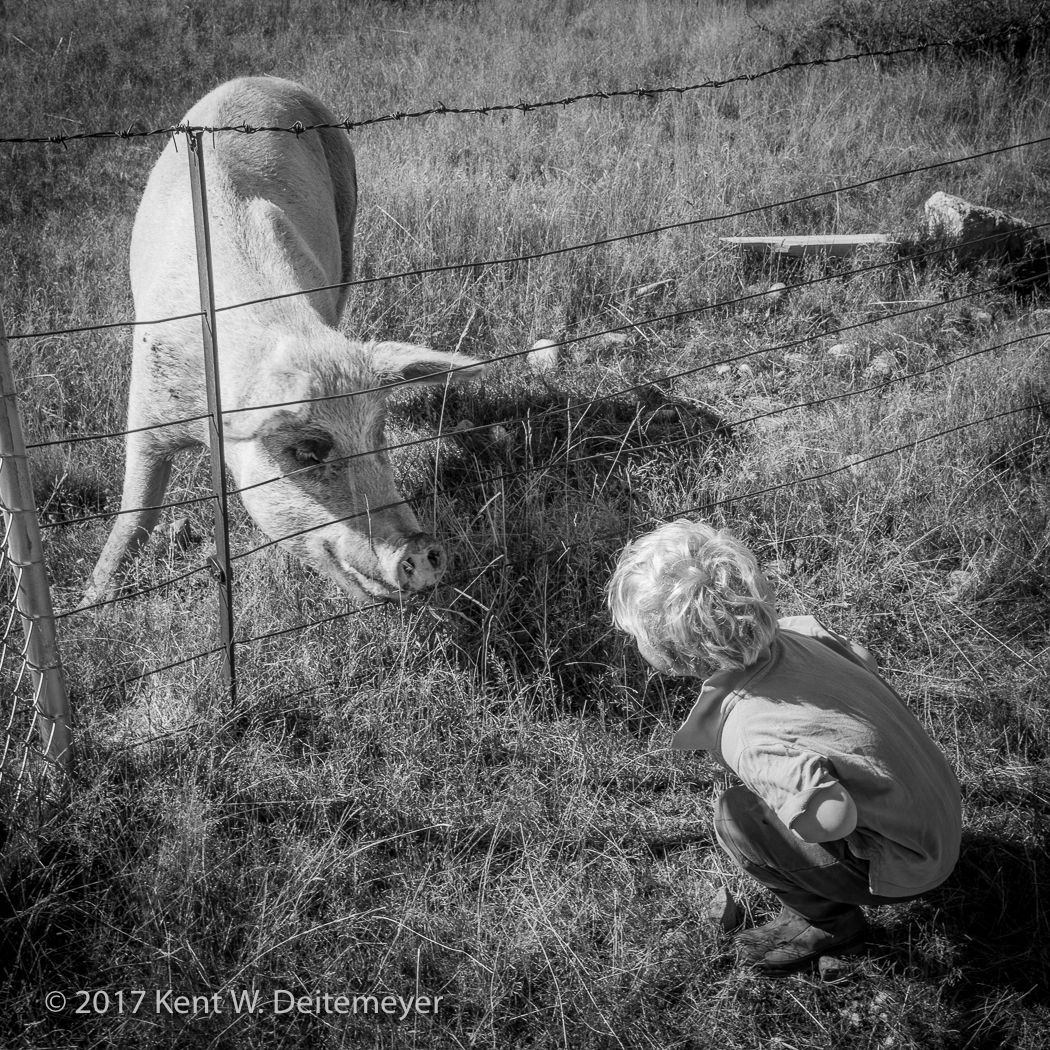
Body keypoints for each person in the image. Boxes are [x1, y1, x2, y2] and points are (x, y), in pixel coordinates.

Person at [607, 519, 962, 976]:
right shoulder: (797, 634)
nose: (636, 645)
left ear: (673, 655)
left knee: (735, 818)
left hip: (911, 865)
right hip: (937, 807)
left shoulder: (752, 734)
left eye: (638, 638)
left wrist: (792, 803)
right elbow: (864, 657)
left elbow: (833, 818)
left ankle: (827, 923)